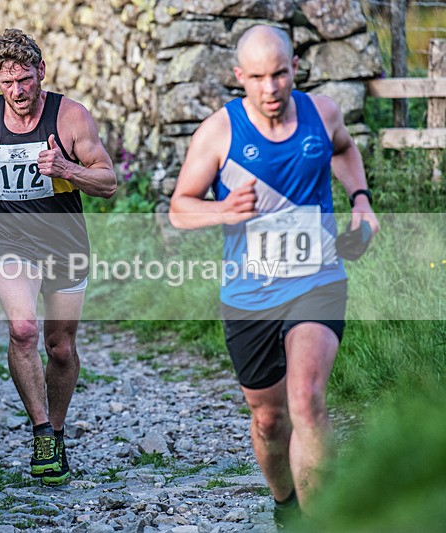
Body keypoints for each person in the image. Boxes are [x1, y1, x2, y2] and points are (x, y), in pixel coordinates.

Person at [168, 25, 379, 527]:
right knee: (269, 419)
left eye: (280, 73)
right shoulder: (220, 131)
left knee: (306, 400)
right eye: (258, 77)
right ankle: (286, 504)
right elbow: (179, 209)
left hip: (318, 279)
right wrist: (223, 212)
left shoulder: (322, 113)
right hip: (250, 293)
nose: (271, 88)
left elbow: (346, 150)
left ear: (294, 69)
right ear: (239, 76)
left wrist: (361, 203)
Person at [0, 28, 115, 486]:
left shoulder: (72, 118)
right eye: (7, 83)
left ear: (41, 72)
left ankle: (57, 430)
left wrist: (65, 168)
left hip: (64, 242)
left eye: (24, 79)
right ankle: (41, 430)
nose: (17, 92)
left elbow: (108, 182)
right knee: (23, 330)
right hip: (10, 238)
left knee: (60, 348)